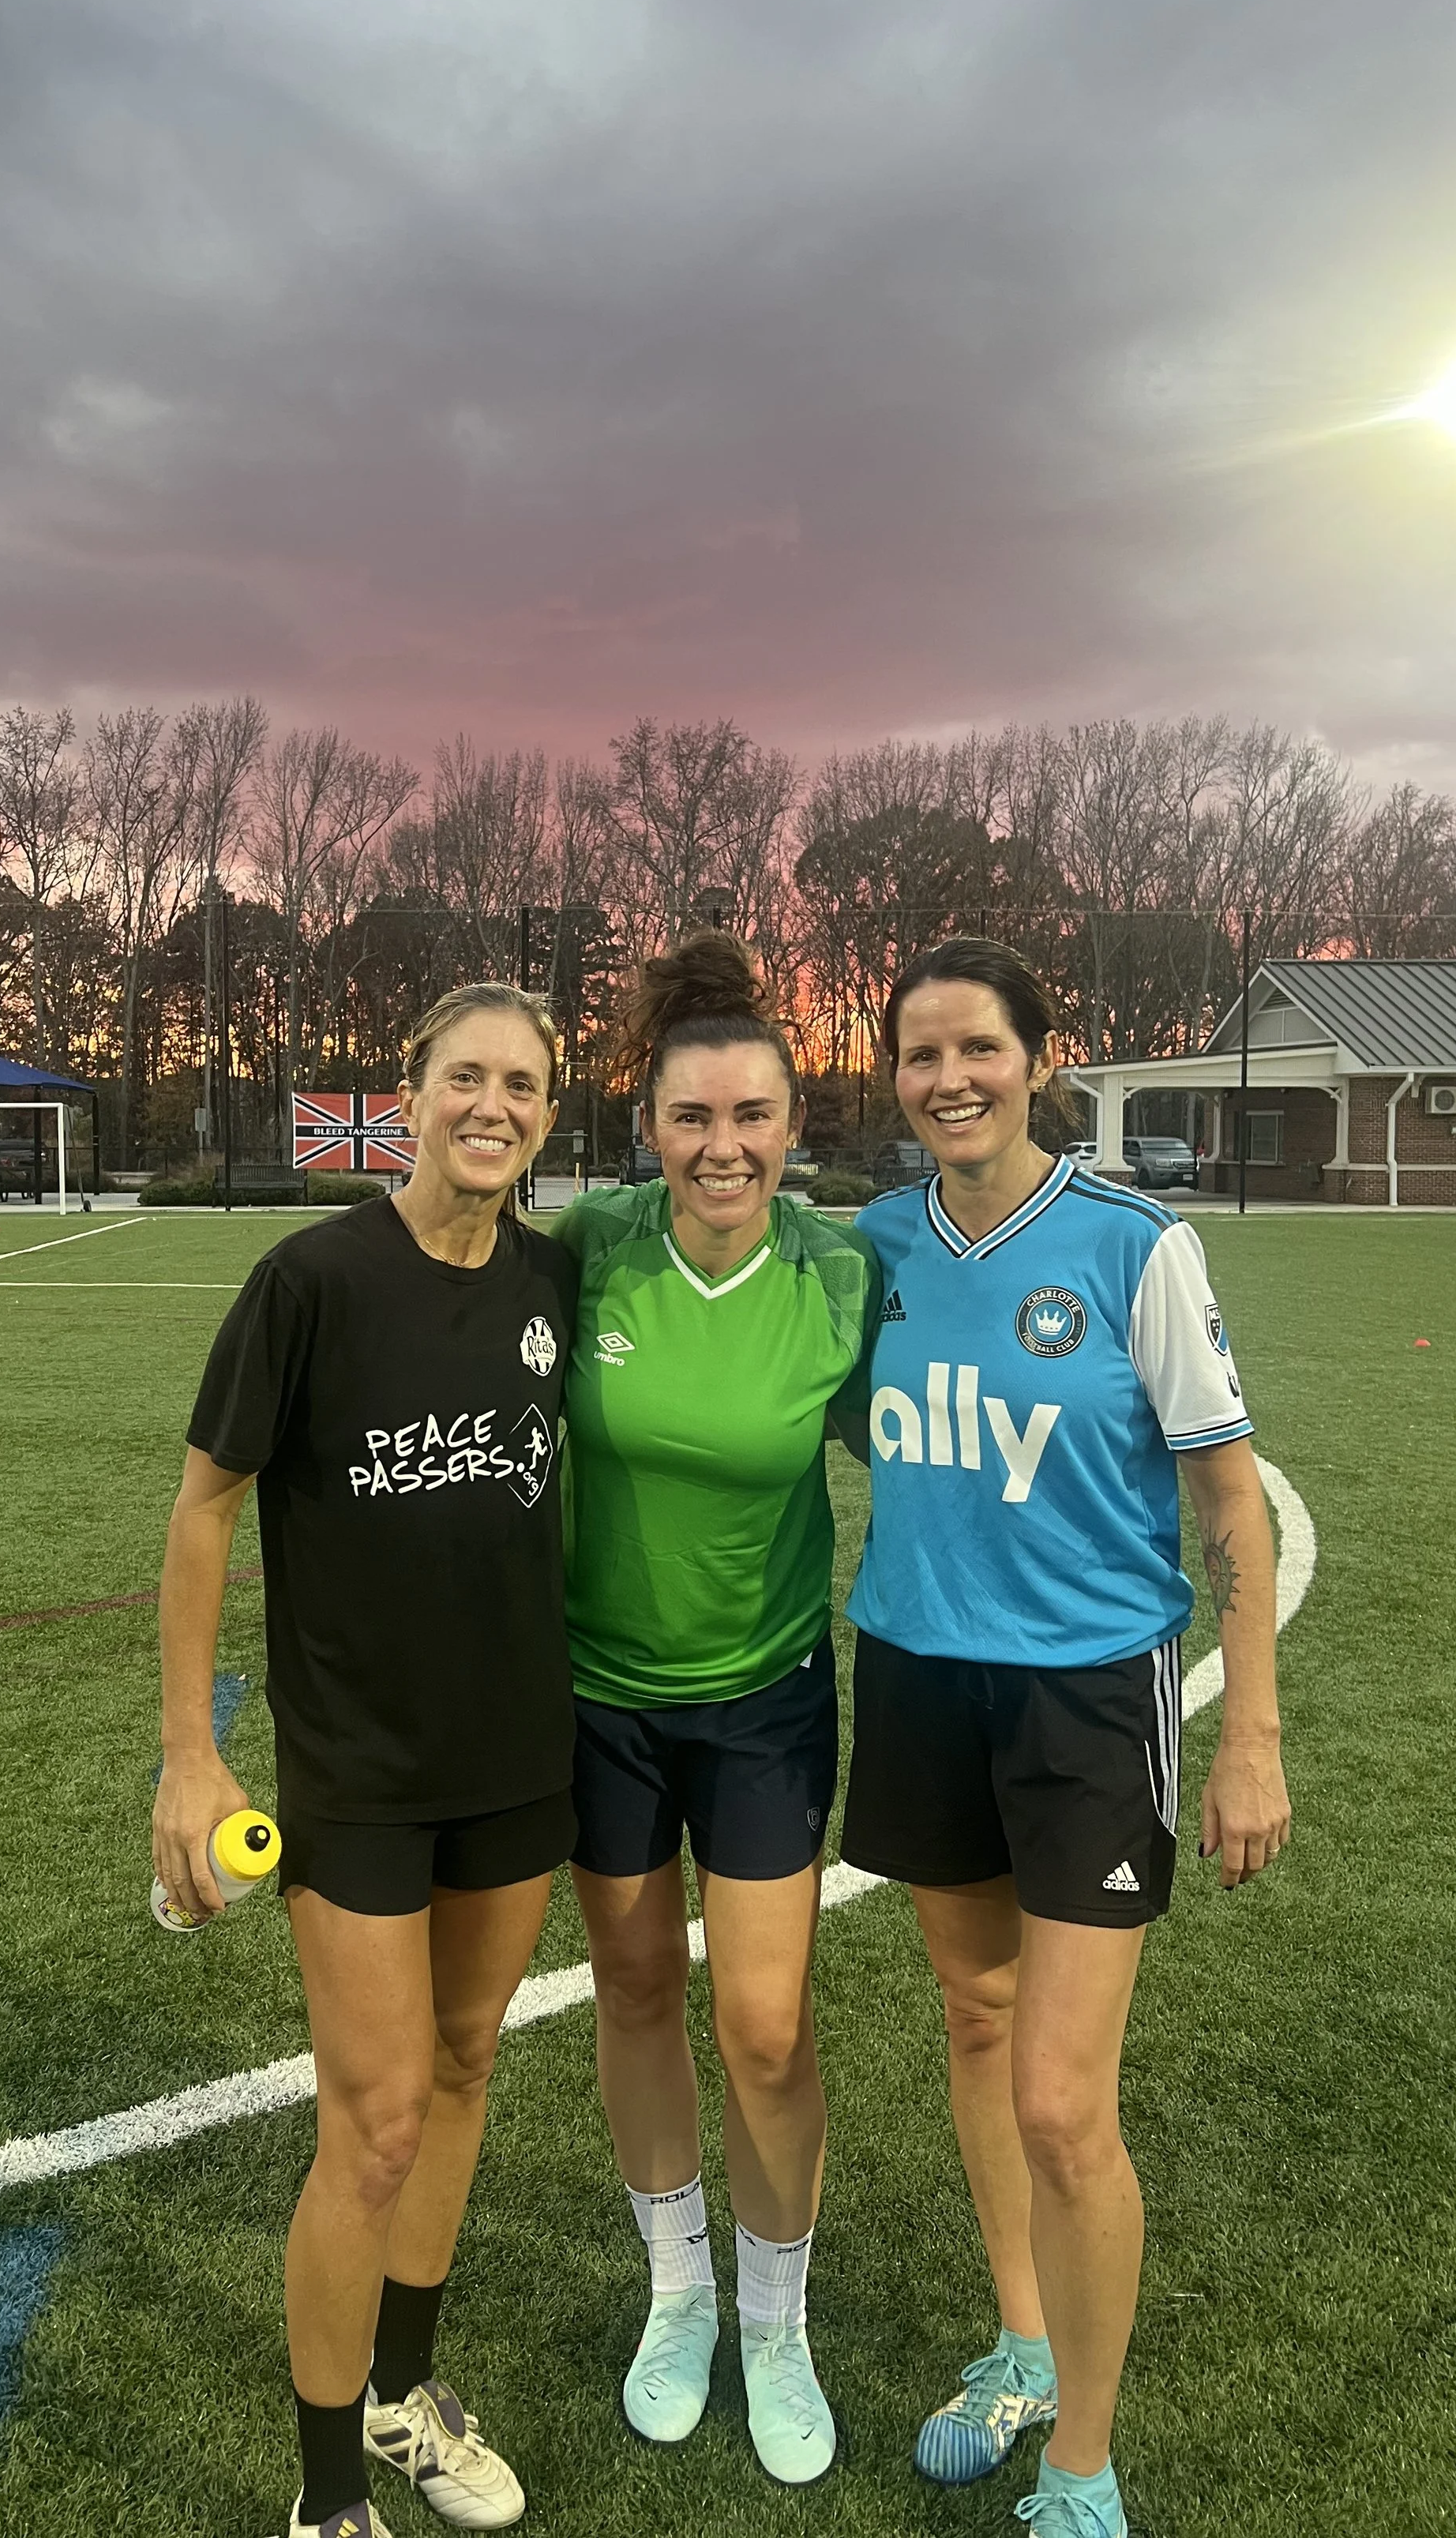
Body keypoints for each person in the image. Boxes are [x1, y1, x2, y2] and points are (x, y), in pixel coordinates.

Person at [839, 937, 1291, 2538]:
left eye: (978, 1047)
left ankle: (1081, 2462)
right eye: (920, 1055)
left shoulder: (1131, 1246)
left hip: (1087, 1697)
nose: (949, 1079)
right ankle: (1021, 2347)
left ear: (1042, 1057)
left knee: (1059, 2101)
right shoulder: (874, 1246)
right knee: (974, 2017)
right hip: (915, 1673)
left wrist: (1250, 1732)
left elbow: (1225, 1492)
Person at [152, 983, 578, 2538]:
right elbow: (204, 1507)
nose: (491, 1105)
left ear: (548, 1112)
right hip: (359, 1775)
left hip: (519, 1757)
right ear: (408, 1097)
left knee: (463, 2067)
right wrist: (190, 1755)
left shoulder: (554, 1276)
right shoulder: (312, 1279)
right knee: (376, 2120)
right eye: (464, 1076)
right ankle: (326, 2496)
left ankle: (406, 2395)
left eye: (520, 1083)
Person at [547, 932, 880, 2486]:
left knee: (761, 2023)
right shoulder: (590, 1246)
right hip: (598, 1702)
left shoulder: (838, 1276)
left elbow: (931, 1446)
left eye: (751, 1115)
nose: (723, 1145)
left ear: (793, 1123)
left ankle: (773, 2318)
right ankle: (678, 2295)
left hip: (762, 1701)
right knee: (631, 1988)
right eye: (692, 1117)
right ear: (647, 1127)